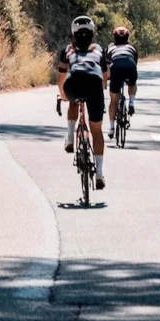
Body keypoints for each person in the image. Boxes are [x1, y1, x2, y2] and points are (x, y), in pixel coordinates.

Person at [57, 16, 109, 190]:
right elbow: (105, 75)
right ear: (93, 34)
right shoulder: (99, 50)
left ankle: (71, 138)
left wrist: (63, 95)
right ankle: (100, 174)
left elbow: (61, 77)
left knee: (73, 103)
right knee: (96, 130)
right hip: (94, 84)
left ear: (73, 34)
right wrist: (100, 90)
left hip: (74, 83)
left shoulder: (67, 51)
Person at [105, 26, 139, 139]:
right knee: (132, 83)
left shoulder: (110, 48)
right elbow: (135, 63)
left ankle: (111, 128)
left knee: (113, 100)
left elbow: (108, 69)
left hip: (116, 67)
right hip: (130, 65)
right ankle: (132, 103)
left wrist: (108, 81)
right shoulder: (132, 48)